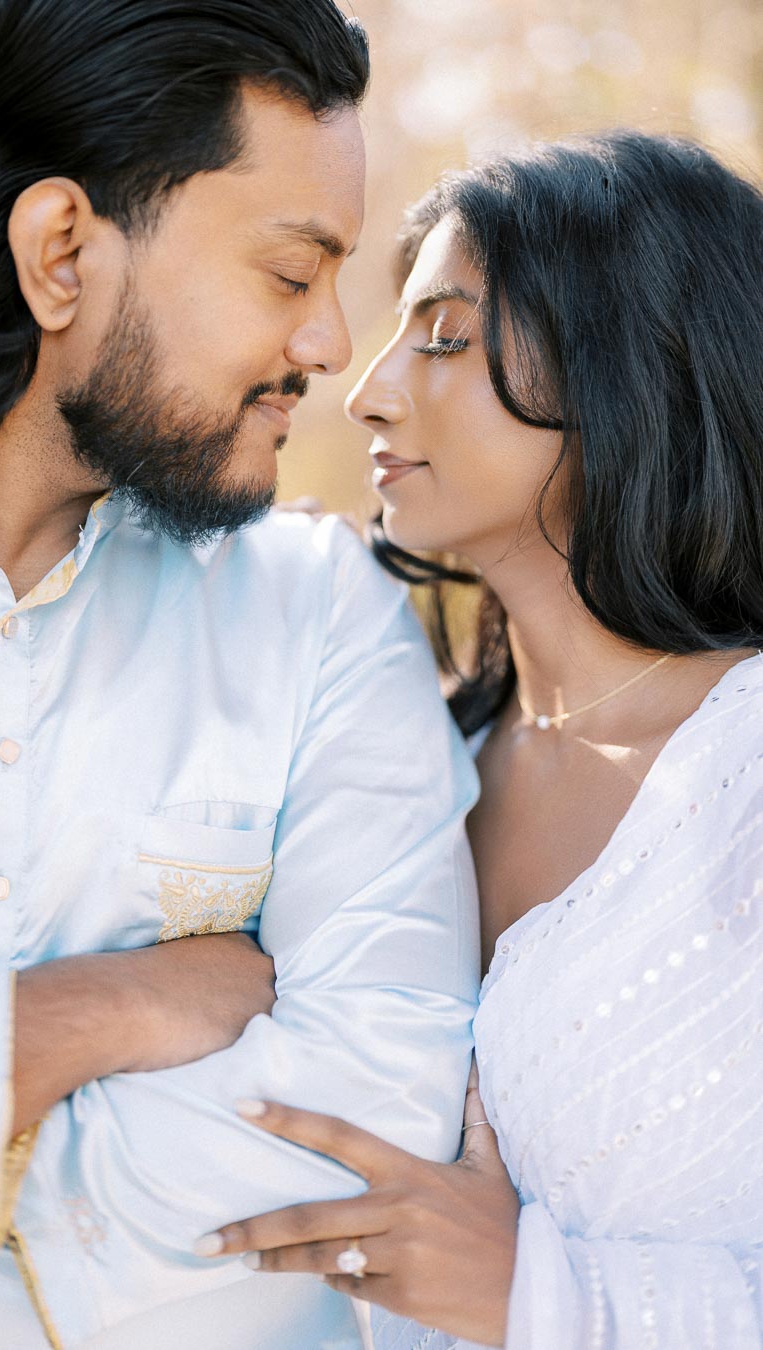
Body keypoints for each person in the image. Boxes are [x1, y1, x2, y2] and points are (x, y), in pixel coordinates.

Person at [0, 3, 482, 1348]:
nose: (330, 347)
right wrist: (108, 1010)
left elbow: (374, 1109)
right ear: (63, 254)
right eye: (287, 273)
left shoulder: (325, 616)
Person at [198, 133, 763, 1349]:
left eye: (445, 336)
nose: (369, 391)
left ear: (632, 366)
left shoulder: (747, 775)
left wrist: (546, 1298)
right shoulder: (412, 742)